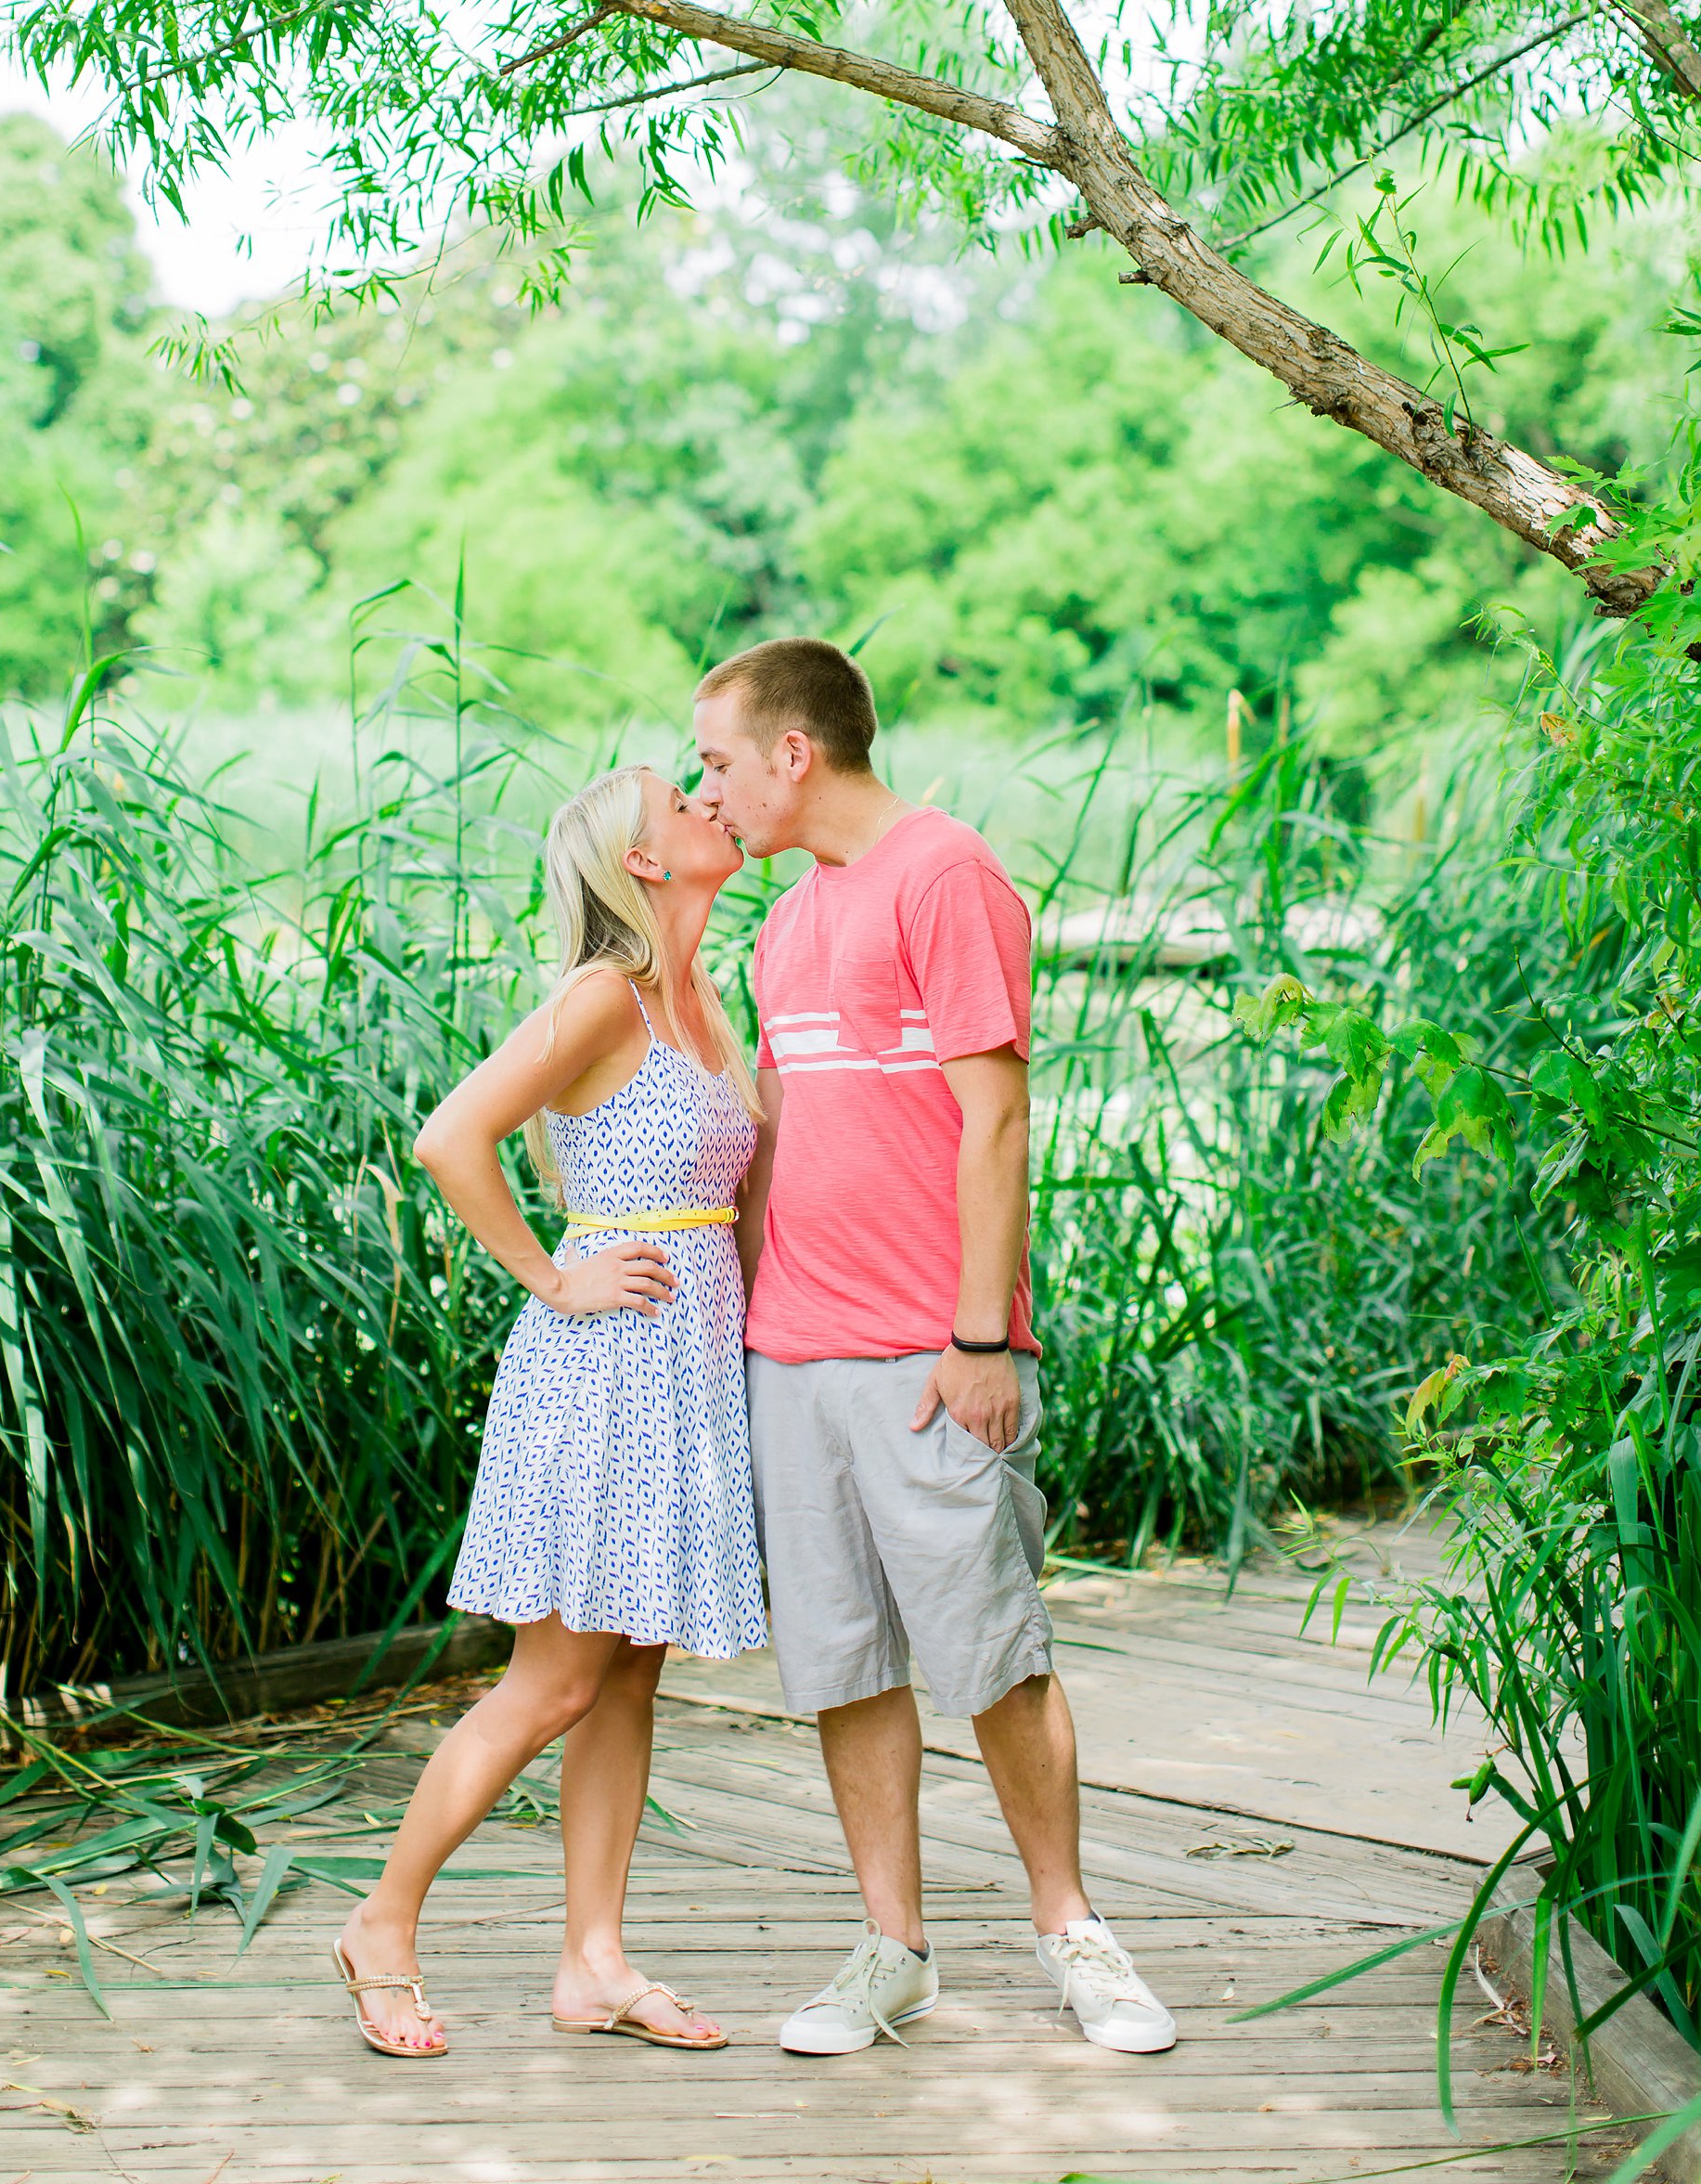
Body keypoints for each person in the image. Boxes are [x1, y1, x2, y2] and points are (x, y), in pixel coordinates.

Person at [694, 639, 1178, 2059]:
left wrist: (980, 1337)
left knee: (994, 1656)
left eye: (717, 760)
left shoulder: (943, 873)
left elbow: (998, 1119)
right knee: (842, 1659)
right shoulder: (786, 922)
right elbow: (777, 1141)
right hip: (795, 1355)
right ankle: (893, 1950)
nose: (705, 789)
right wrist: (738, 1326)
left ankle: (1074, 1931)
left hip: (930, 1355)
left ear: (796, 753)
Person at [331, 764, 767, 2060]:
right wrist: (551, 1278)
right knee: (556, 1680)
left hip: (681, 1367)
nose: (710, 806)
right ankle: (383, 1924)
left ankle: (594, 1963)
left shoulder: (704, 1002)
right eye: (683, 804)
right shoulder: (603, 998)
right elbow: (450, 1137)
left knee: (629, 1672)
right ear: (642, 861)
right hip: (605, 1365)